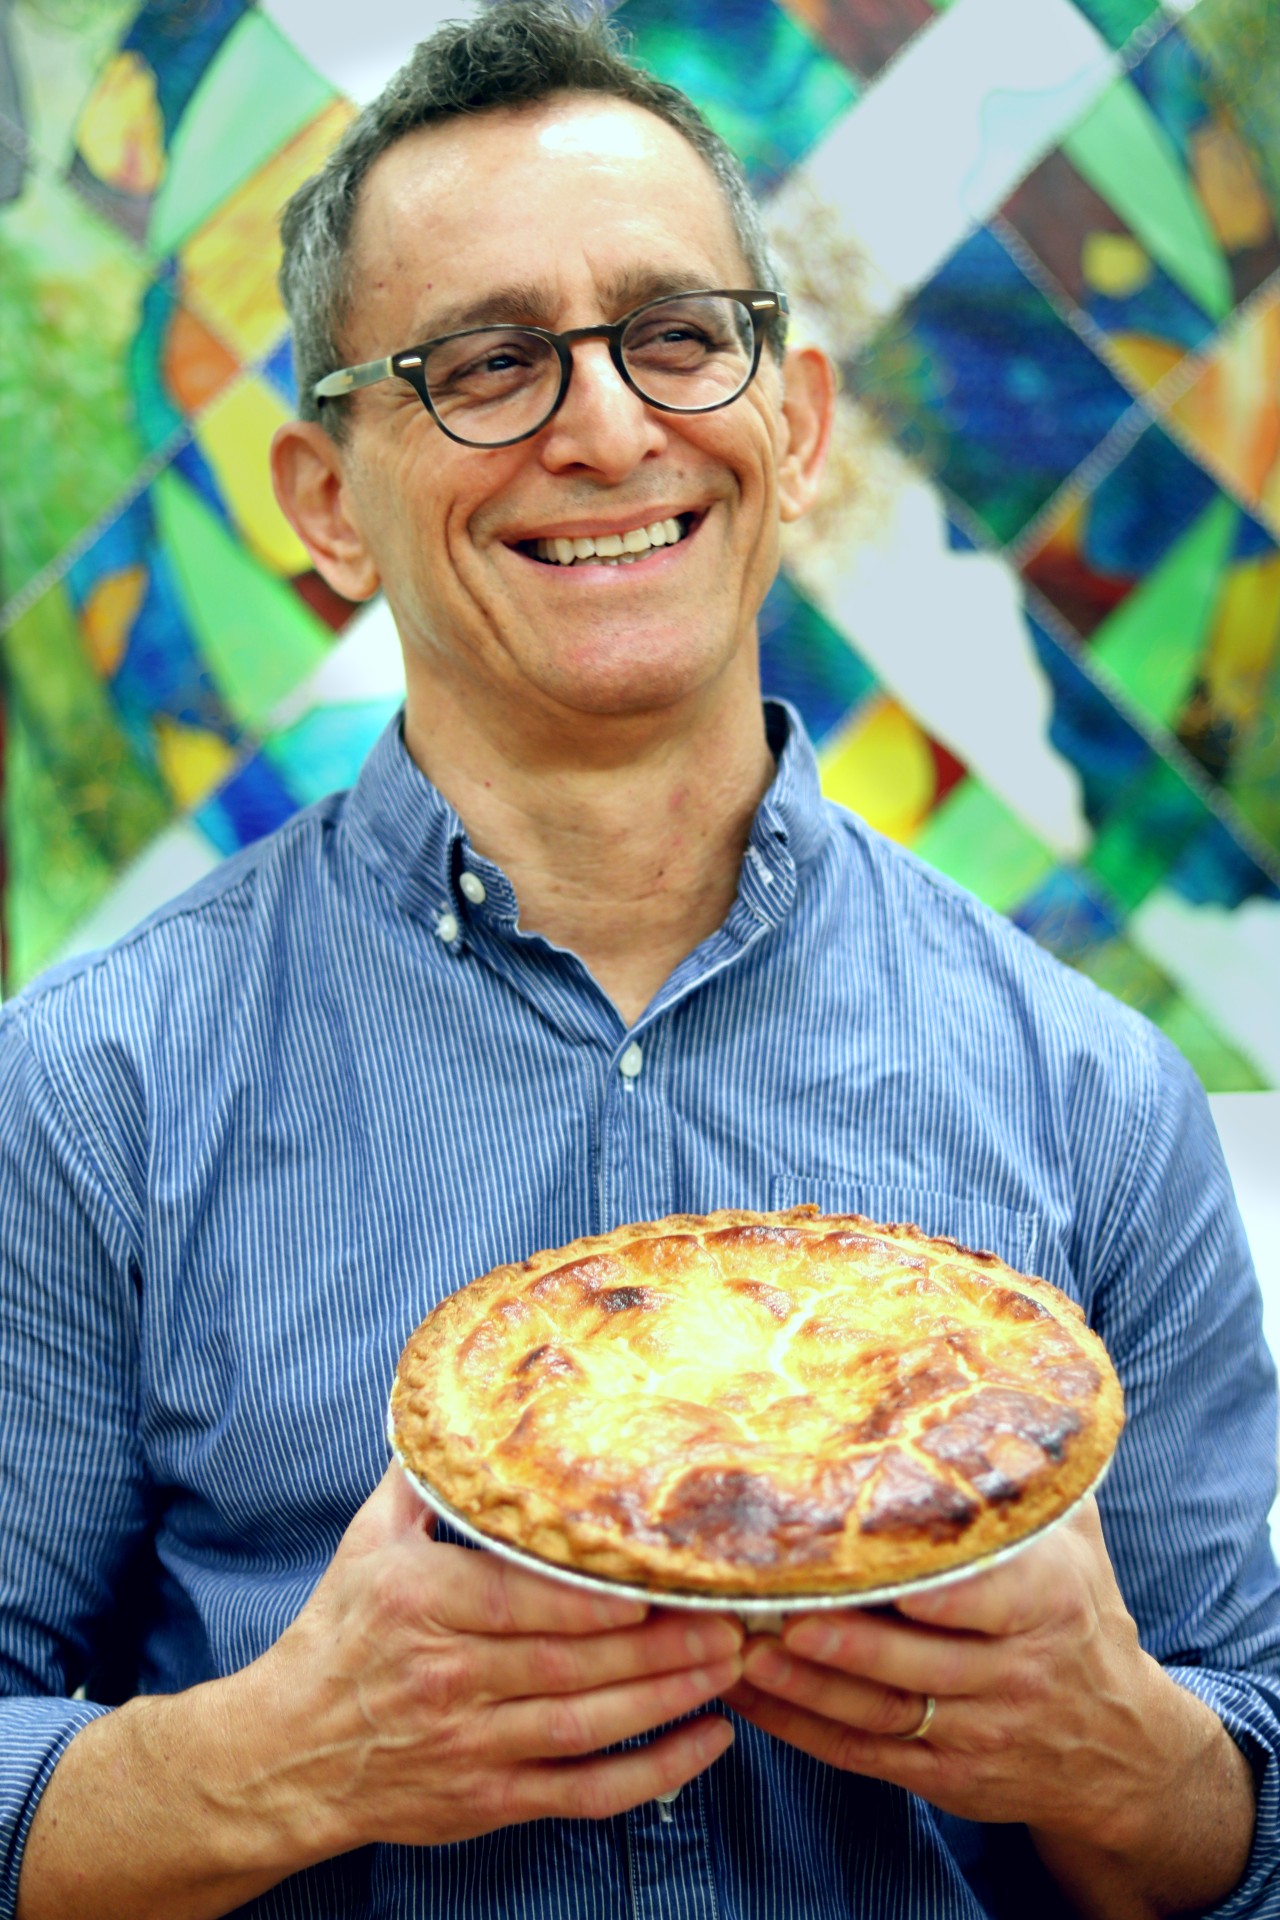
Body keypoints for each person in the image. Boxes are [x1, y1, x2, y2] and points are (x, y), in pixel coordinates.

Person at [2, 4, 1278, 1915]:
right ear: (328, 503)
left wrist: (1130, 1760)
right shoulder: (82, 1097)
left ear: (798, 421)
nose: (607, 429)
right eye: (485, 362)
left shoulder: (1094, 1092)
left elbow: (1247, 1773)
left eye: (678, 336)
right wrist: (270, 1765)